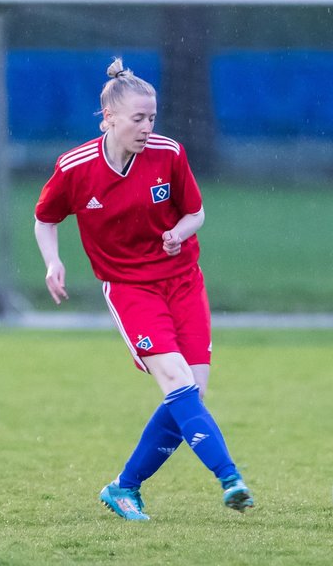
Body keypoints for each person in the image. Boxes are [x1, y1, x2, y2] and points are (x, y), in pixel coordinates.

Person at [33, 58, 253, 521]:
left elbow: (196, 212)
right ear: (108, 117)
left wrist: (180, 232)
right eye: (138, 118)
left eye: (152, 117)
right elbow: (46, 218)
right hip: (131, 288)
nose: (147, 126)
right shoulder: (75, 168)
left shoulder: (168, 153)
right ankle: (230, 478)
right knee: (176, 382)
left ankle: (123, 487)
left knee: (191, 391)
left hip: (183, 282)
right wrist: (53, 261)